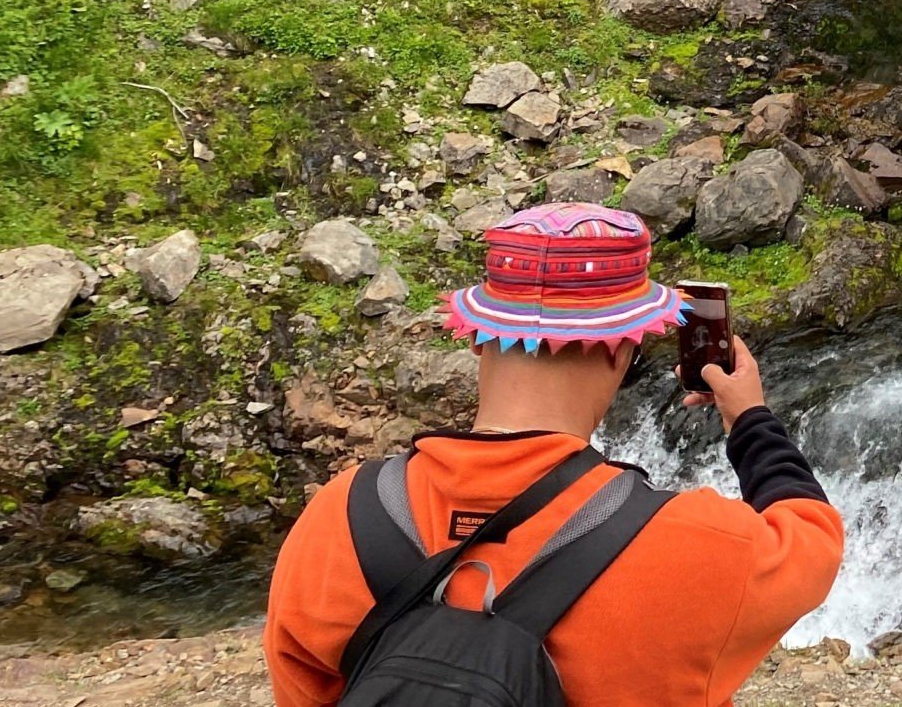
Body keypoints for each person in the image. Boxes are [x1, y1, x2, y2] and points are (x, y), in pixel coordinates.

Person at [265, 204, 843, 706]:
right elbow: (813, 539)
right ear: (625, 348)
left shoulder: (338, 516)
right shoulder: (704, 546)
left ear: (476, 335)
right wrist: (750, 421)